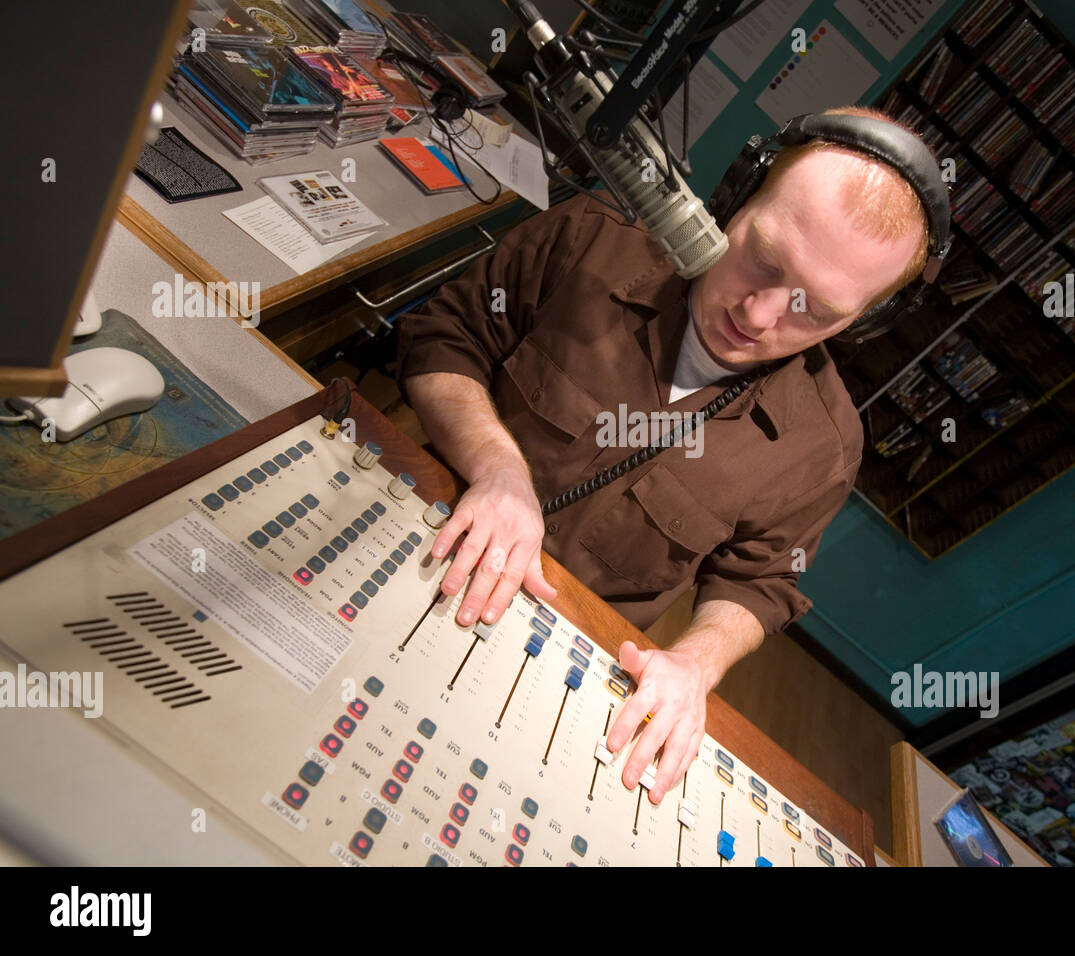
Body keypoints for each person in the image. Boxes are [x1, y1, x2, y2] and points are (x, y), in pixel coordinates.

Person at [397, 104, 933, 806]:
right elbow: (442, 338)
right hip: (419, 535)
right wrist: (497, 469)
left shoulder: (824, 450)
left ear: (863, 321)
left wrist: (693, 664)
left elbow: (758, 584)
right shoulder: (590, 237)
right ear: (736, 198)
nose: (761, 316)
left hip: (555, 646)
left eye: (817, 311)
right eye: (763, 261)